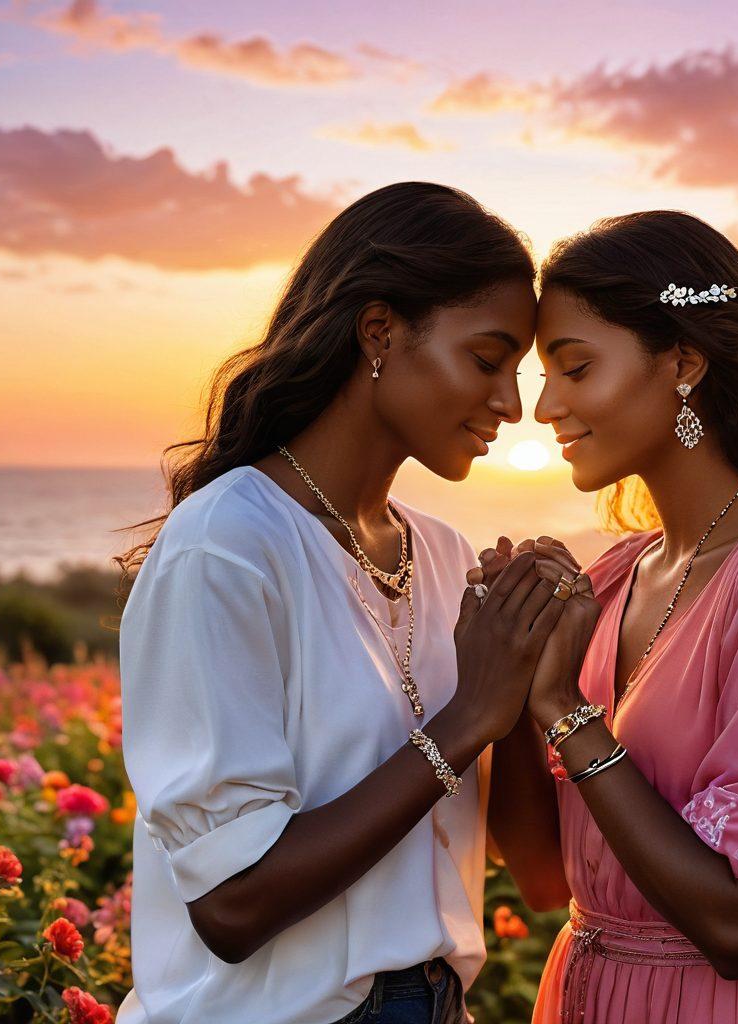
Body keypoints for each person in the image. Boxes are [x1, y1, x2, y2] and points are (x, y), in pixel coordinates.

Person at [114, 182, 578, 1024]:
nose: (512, 407)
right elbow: (232, 905)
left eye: (520, 373)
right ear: (379, 331)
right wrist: (468, 715)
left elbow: (540, 881)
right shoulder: (227, 544)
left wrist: (528, 678)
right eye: (487, 360)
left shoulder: (440, 556)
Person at [477, 211, 738, 1023]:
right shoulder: (613, 576)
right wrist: (514, 669)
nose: (544, 408)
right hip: (588, 995)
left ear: (682, 362)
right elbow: (541, 879)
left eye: (574, 368)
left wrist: (566, 713)